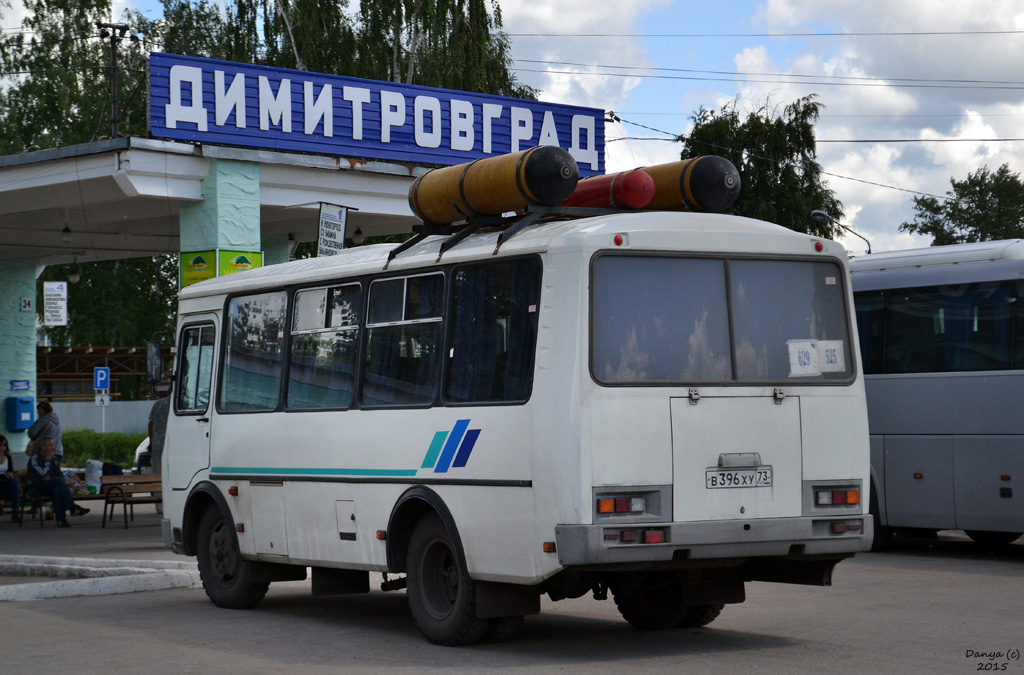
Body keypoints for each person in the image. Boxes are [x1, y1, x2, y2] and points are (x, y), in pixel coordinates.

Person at [24, 437, 88, 527]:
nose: (53, 447)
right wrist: (47, 461)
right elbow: (42, 474)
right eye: (50, 445)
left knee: (56, 490)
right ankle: (71, 507)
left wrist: (50, 477)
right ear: (42, 447)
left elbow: (60, 475)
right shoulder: (35, 459)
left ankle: (61, 520)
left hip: (49, 485)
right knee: (57, 481)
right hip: (35, 487)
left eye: (53, 445)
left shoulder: (54, 459)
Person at [0, 434, 21, 523]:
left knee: (13, 482)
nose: (2, 447)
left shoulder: (8, 457)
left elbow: (10, 470)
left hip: (7, 481)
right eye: (0, 445)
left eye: (4, 445)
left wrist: (11, 474)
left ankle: (15, 511)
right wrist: (3, 476)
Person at [148, 395, 169, 475]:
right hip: (173, 446)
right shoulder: (182, 405)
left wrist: (151, 441)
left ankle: (157, 487)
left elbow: (151, 423)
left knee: (157, 472)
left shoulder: (158, 404)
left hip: (157, 445)